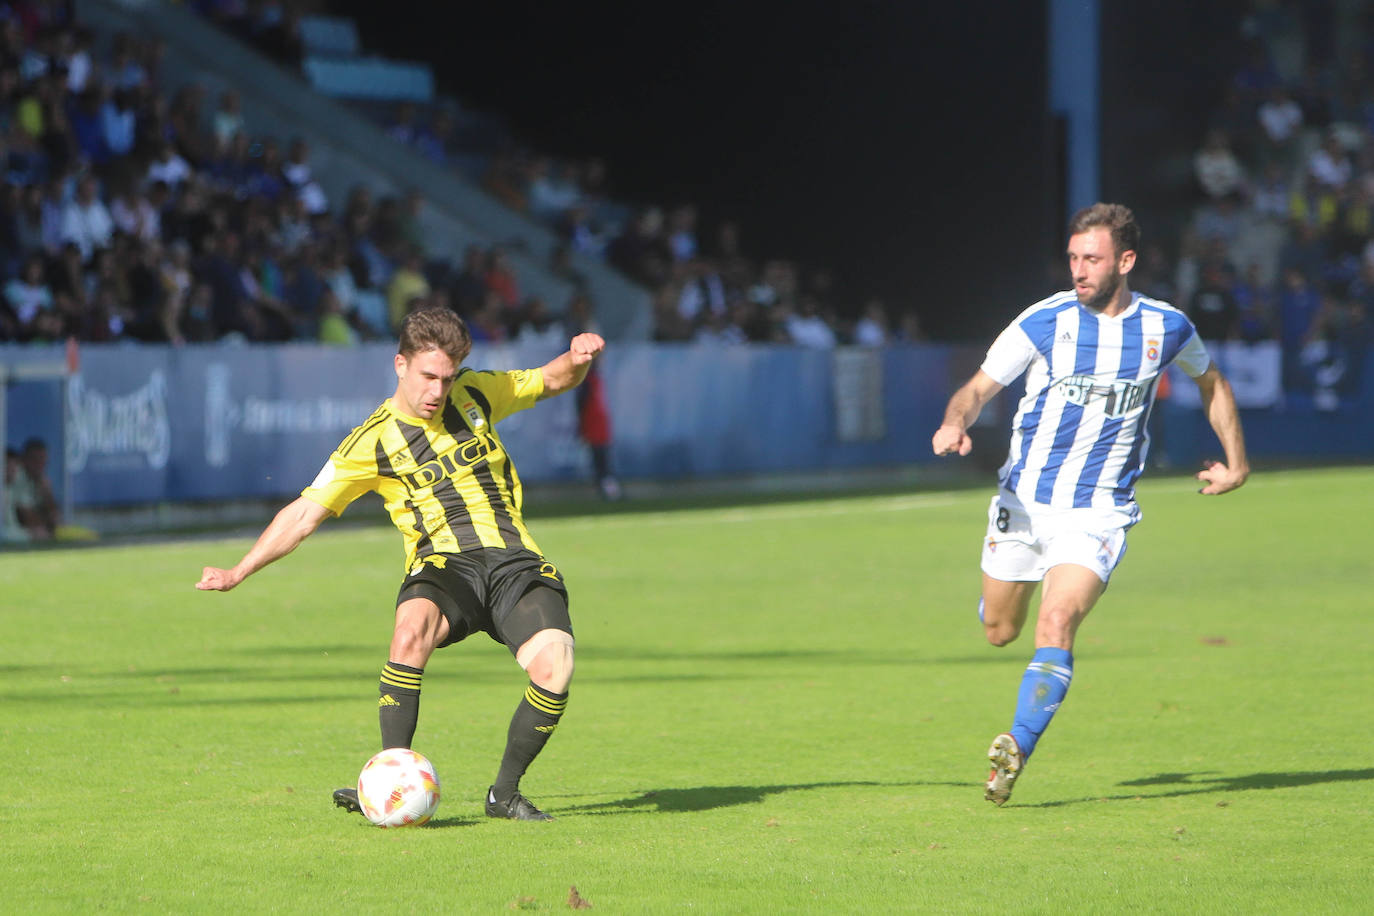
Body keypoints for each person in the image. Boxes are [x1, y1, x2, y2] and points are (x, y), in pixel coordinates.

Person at [196, 306, 606, 821]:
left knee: (557, 666)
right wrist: (238, 571)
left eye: (447, 378)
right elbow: (303, 513)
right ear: (400, 365)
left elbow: (549, 380)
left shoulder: (475, 394)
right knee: (409, 629)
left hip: (514, 563)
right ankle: (389, 775)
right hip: (443, 568)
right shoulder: (370, 441)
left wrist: (576, 358)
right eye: (428, 376)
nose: (438, 390)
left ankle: (504, 794)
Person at [930, 203, 1249, 806]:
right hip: (1023, 504)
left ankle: (1016, 746)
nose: (1079, 269)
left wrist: (1236, 461)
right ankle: (1003, 597)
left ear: (1125, 261)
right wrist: (955, 424)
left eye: (1093, 258)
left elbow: (1212, 382)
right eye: (1074, 257)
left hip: (1099, 511)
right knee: (1000, 630)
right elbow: (975, 390)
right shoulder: (1043, 321)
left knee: (1058, 622)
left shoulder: (1166, 327)